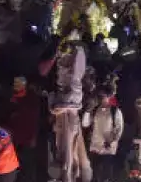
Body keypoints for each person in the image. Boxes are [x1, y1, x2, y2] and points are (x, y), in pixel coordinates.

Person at [51, 28, 91, 182]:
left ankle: (68, 174)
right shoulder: (66, 74)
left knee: (68, 149)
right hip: (65, 116)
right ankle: (67, 173)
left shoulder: (74, 81)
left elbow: (75, 76)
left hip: (68, 115)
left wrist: (57, 106)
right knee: (65, 147)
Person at [84, 83, 123, 182]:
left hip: (108, 148)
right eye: (101, 95)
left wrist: (112, 142)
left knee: (106, 176)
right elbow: (85, 124)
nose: (102, 98)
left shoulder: (115, 111)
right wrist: (87, 112)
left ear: (109, 96)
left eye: (104, 95)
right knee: (95, 175)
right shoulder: (95, 110)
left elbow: (119, 129)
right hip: (95, 146)